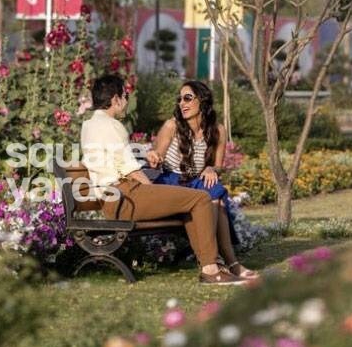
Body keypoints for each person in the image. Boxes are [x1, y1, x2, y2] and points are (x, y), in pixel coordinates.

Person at [79, 73, 245, 285]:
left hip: (113, 198)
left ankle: (211, 266)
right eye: (125, 95)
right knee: (201, 198)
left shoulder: (90, 125)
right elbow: (132, 171)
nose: (127, 100)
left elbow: (117, 162)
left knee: (195, 199)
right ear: (115, 99)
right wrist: (153, 189)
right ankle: (211, 269)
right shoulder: (112, 126)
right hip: (124, 197)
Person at [146, 80, 259, 280]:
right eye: (180, 99)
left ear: (202, 100)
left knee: (215, 192)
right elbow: (158, 154)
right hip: (171, 181)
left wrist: (211, 168)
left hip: (196, 182)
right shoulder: (172, 125)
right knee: (213, 197)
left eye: (188, 98)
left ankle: (224, 262)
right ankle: (220, 262)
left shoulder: (218, 130)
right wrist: (154, 157)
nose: (182, 103)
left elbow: (218, 166)